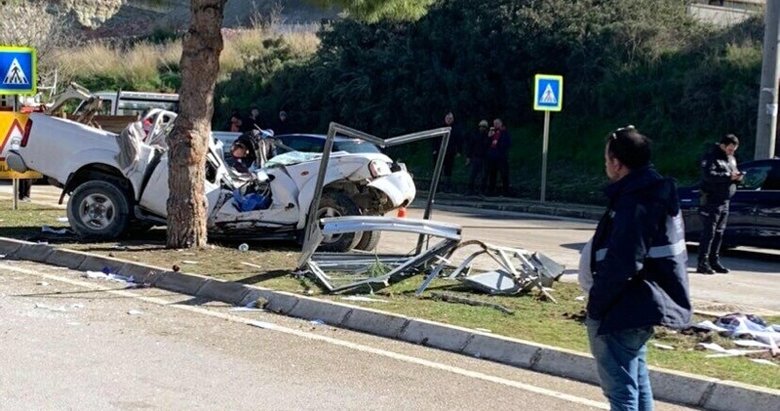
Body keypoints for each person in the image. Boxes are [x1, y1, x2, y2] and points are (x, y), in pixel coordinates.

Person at [581, 125, 692, 411]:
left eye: (606, 159)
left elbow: (624, 260)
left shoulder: (637, 201)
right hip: (640, 305)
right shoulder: (651, 191)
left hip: (624, 307)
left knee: (621, 392)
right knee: (637, 384)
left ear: (617, 164)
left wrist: (596, 306)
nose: (605, 165)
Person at [696, 134, 743, 274]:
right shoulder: (711, 157)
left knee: (719, 233)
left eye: (734, 149)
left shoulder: (731, 159)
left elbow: (733, 175)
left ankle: (714, 261)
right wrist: (729, 176)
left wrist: (738, 178)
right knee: (709, 233)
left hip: (725, 200)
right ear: (722, 145)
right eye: (730, 149)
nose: (732, 152)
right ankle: (702, 263)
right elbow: (708, 176)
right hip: (712, 200)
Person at [431, 112, 463, 193]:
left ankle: (447, 187)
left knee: (448, 170)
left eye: (451, 118)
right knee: (437, 169)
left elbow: (458, 140)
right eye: (448, 118)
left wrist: (459, 151)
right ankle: (435, 187)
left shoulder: (455, 128)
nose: (449, 120)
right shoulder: (440, 126)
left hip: (450, 152)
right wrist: (434, 149)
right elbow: (435, 138)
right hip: (439, 151)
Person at [485, 118, 510, 196]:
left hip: (501, 156)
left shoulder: (505, 132)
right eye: (494, 123)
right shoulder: (492, 133)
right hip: (492, 156)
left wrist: (501, 150)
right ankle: (491, 190)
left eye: (497, 123)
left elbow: (507, 143)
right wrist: (489, 137)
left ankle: (506, 190)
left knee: (504, 174)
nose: (495, 125)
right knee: (492, 174)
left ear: (501, 123)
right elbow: (486, 144)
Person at [465, 120, 490, 194]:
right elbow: (470, 146)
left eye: (484, 127)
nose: (482, 128)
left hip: (484, 157)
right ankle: (470, 189)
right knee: (473, 174)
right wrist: (468, 157)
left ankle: (481, 190)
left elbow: (488, 145)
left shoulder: (487, 136)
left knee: (483, 175)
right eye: (481, 126)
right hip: (476, 156)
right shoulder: (475, 135)